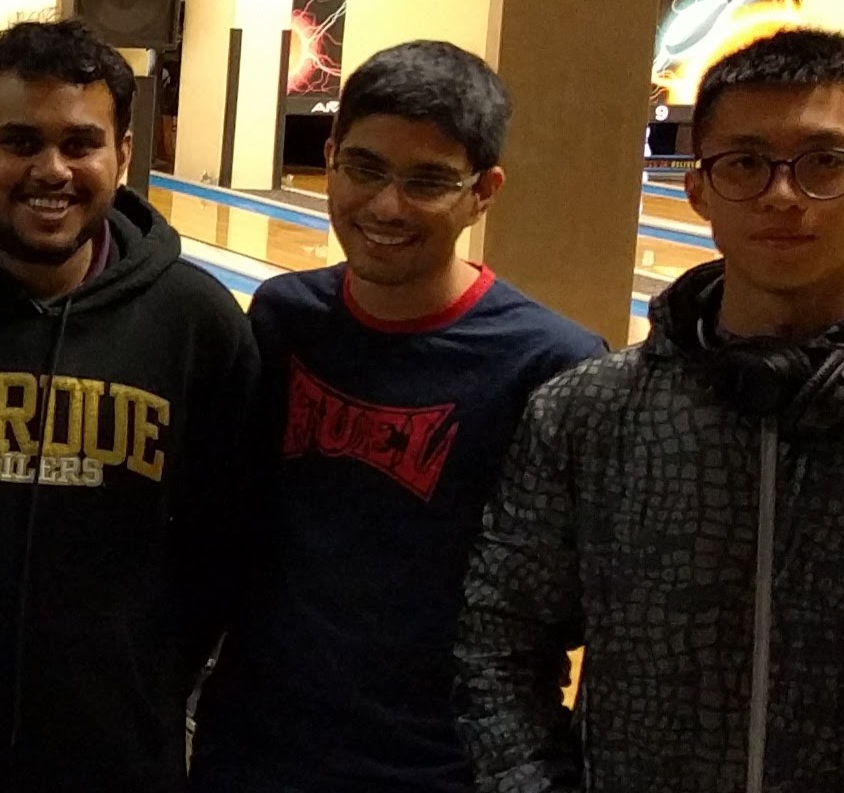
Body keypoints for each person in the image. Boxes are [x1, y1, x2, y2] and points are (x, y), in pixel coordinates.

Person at [456, 28, 844, 792]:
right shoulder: (590, 415)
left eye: (825, 163)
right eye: (745, 163)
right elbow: (498, 645)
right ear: (698, 189)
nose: (782, 195)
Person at [0, 17, 254, 793]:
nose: (52, 170)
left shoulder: (196, 322)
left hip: (115, 756)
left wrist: (142, 680)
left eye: (81, 143)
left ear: (122, 156)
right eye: (20, 142)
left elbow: (224, 549)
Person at [192, 41, 601, 793]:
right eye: (365, 168)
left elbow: (568, 608)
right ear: (331, 159)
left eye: (428, 181)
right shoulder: (284, 319)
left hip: (447, 767)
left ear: (484, 191)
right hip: (255, 752)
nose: (386, 206)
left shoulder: (550, 365)